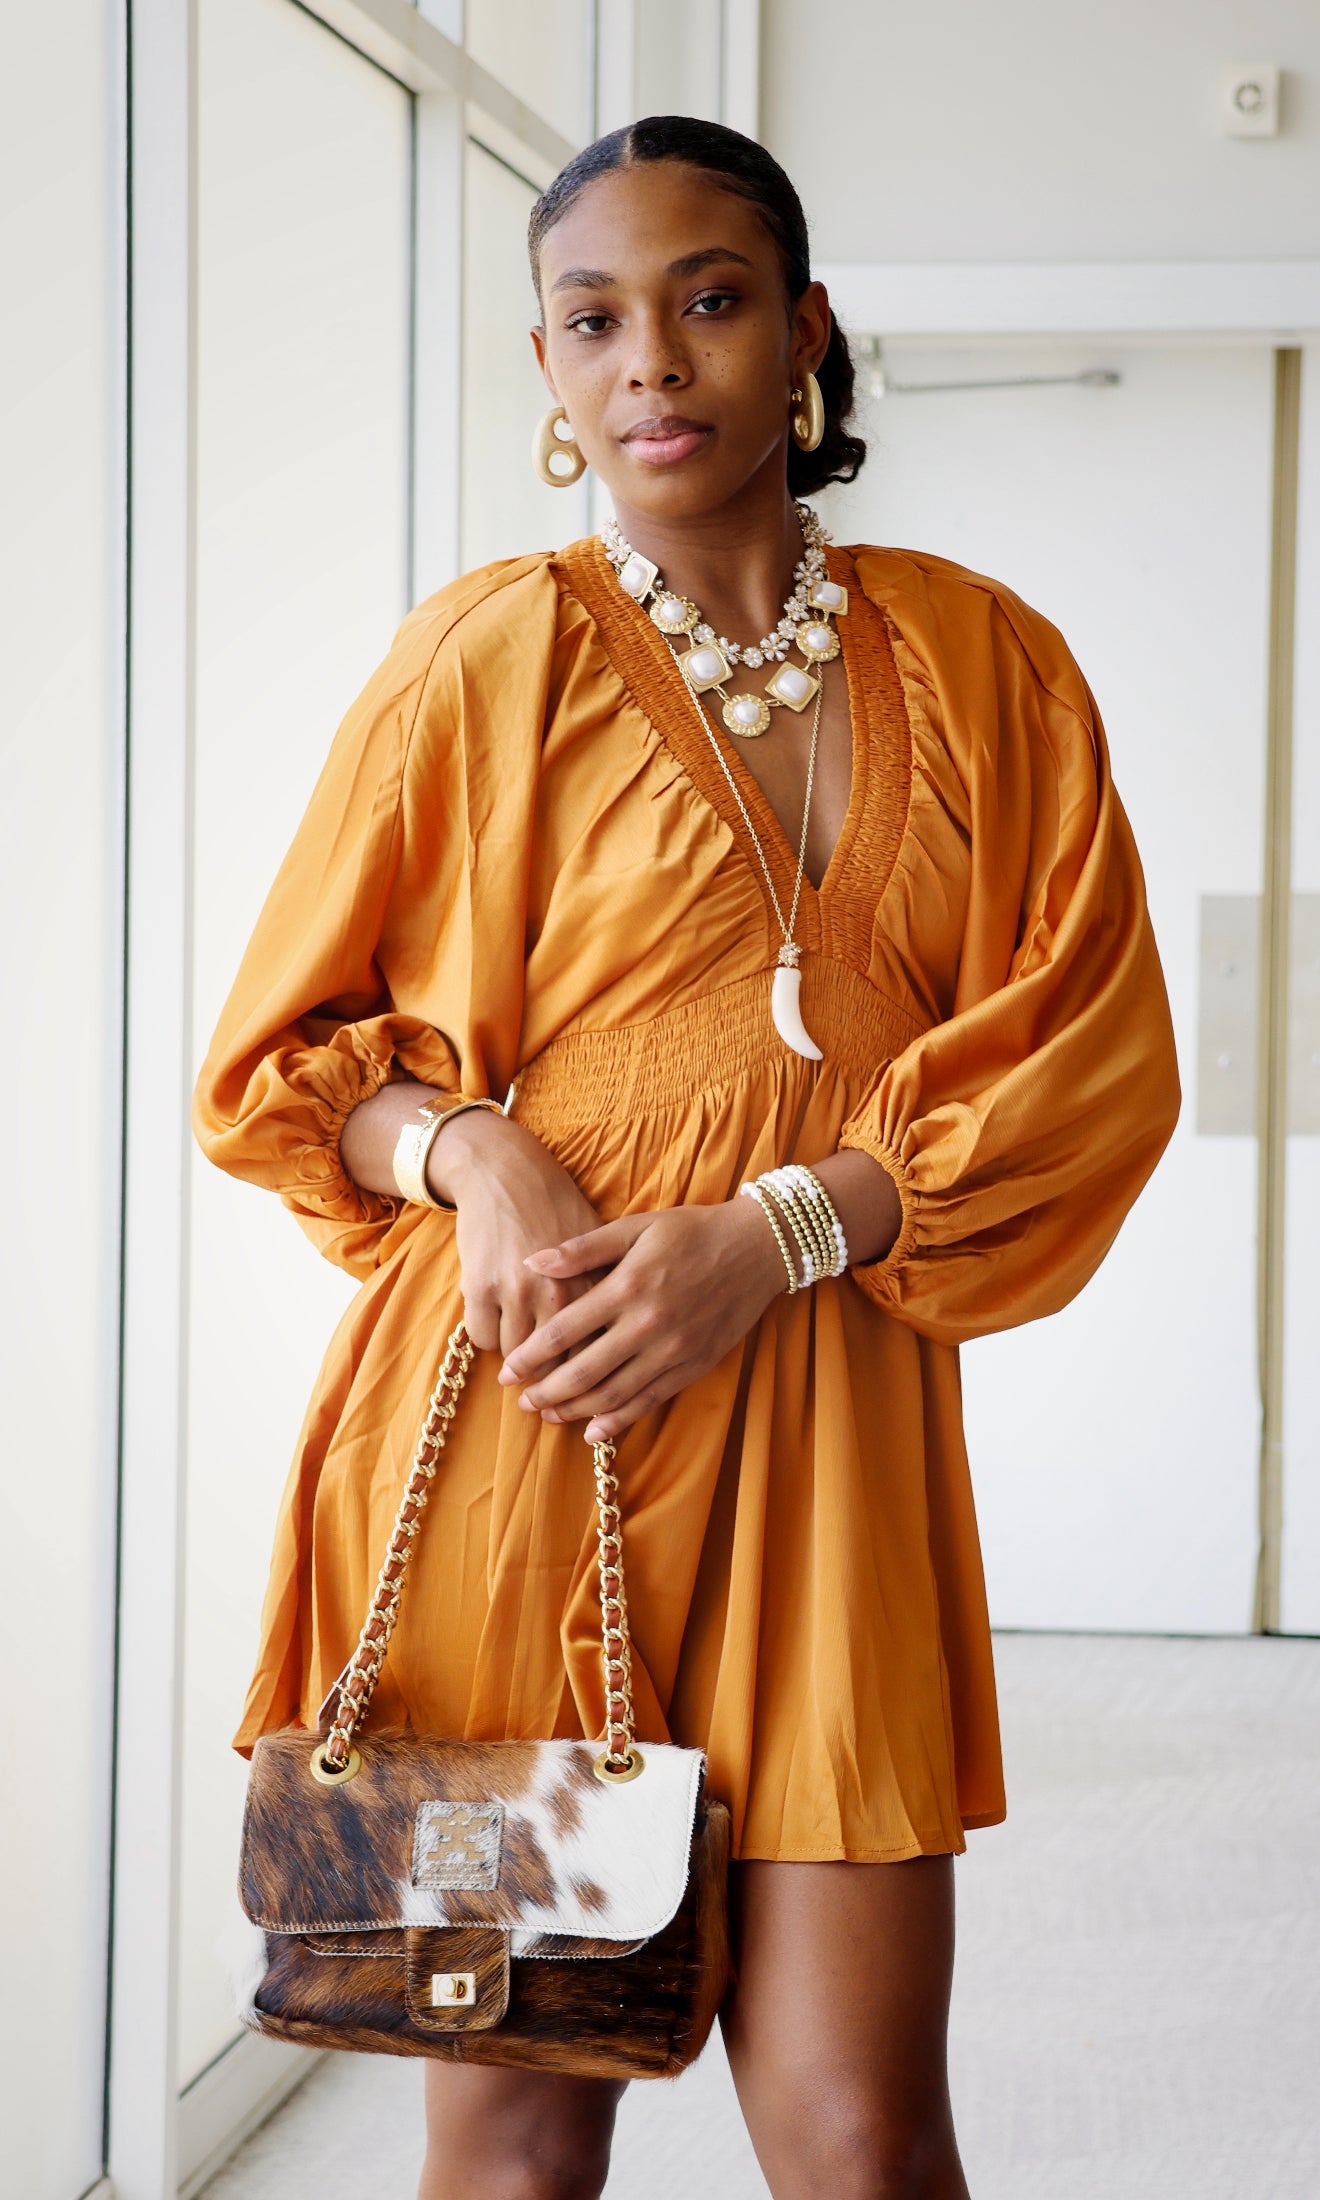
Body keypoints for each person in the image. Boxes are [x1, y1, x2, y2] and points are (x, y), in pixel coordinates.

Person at [194, 114, 1181, 2200]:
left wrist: (783, 1226)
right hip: (526, 1422)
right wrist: (476, 1152)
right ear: (548, 369)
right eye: (594, 319)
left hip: (838, 1430)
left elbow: (1090, 1047)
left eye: (711, 300)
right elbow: (278, 1063)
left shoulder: (988, 660)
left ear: (804, 335)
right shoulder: (484, 657)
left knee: (863, 2134)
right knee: (520, 2125)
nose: (652, 357)